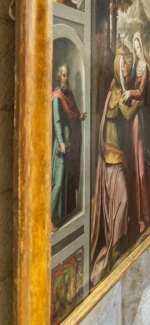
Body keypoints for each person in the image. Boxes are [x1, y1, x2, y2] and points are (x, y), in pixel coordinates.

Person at [89, 53, 136, 285]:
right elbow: (125, 114)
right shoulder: (114, 93)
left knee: (118, 199)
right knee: (121, 198)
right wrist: (138, 103)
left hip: (115, 152)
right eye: (124, 64)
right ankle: (114, 242)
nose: (126, 66)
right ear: (118, 69)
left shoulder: (117, 91)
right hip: (111, 153)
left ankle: (117, 242)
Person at [122, 32, 150, 235]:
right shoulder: (136, 67)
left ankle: (144, 213)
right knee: (133, 160)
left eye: (138, 48)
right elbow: (129, 84)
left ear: (142, 47)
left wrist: (130, 93)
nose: (137, 51)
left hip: (140, 115)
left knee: (141, 159)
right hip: (132, 114)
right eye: (134, 49)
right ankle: (136, 215)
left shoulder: (144, 68)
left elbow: (142, 90)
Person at [52, 64, 87, 230]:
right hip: (62, 144)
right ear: (59, 77)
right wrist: (62, 142)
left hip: (70, 142)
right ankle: (50, 218)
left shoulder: (69, 95)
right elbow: (57, 121)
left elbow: (72, 114)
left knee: (67, 179)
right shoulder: (57, 97)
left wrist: (79, 117)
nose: (66, 78)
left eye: (67, 75)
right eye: (64, 75)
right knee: (58, 182)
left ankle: (62, 215)